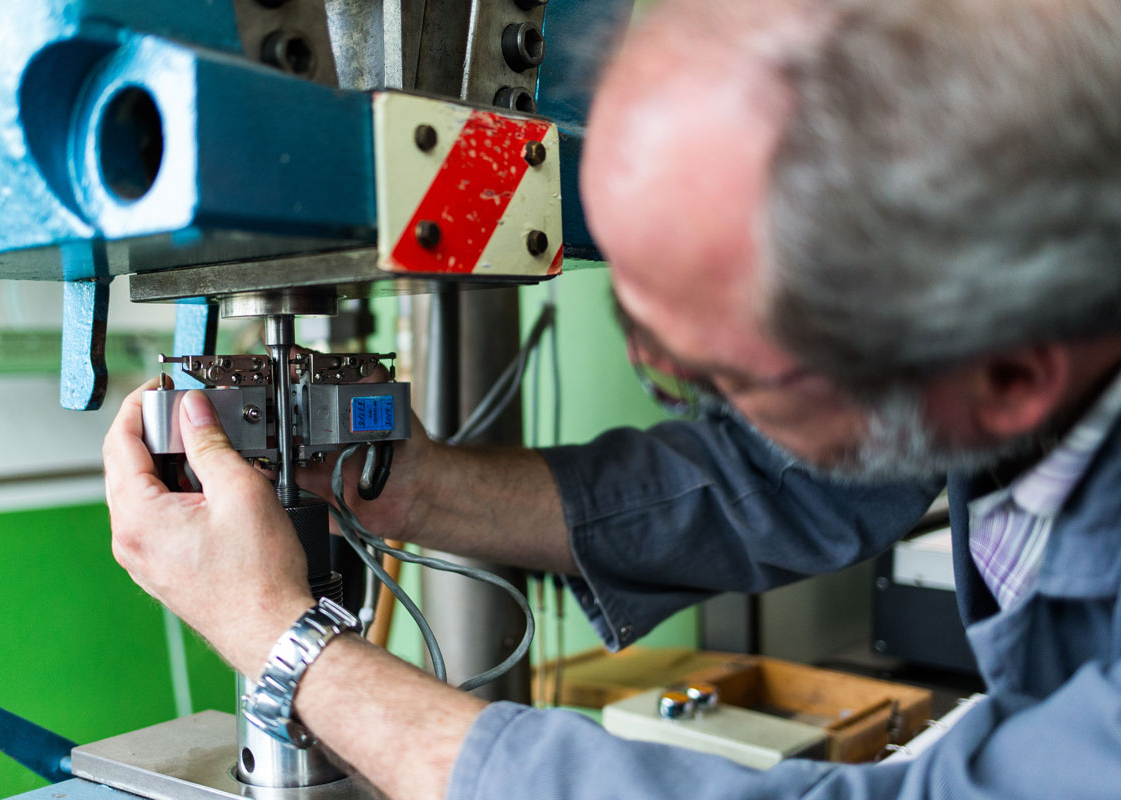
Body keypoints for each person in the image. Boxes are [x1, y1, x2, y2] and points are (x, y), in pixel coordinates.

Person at [102, 0, 1121, 797]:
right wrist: (419, 489)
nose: (672, 378)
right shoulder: (1002, 322)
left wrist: (283, 641)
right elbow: (790, 477)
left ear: (1007, 378)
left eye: (706, 374)